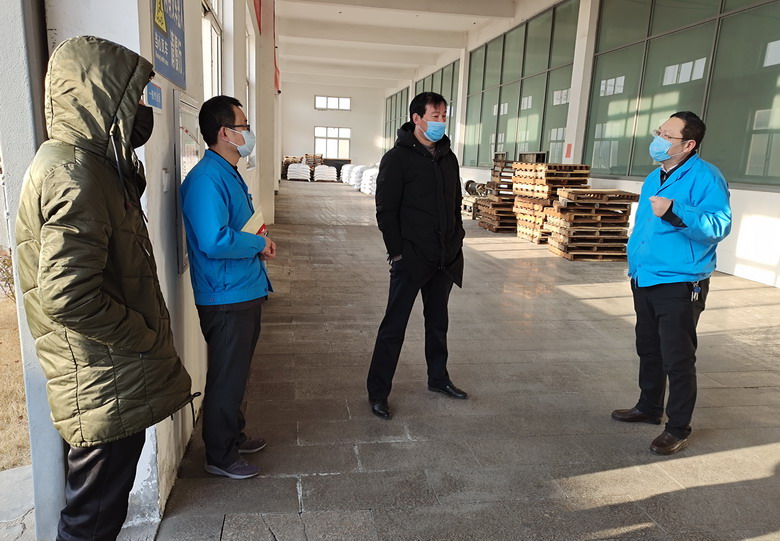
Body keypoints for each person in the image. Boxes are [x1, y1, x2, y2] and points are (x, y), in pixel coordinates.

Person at [15, 36, 193, 540]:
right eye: (134, 97)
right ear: (102, 99)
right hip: (104, 378)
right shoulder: (75, 173)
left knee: (97, 513)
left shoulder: (88, 165)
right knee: (90, 522)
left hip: (105, 374)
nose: (143, 109)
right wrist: (142, 337)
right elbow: (69, 296)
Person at [612, 111, 732, 455]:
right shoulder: (655, 176)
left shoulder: (707, 177)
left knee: (677, 357)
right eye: (659, 132)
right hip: (645, 276)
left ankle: (678, 427)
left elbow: (718, 225)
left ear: (689, 144)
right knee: (648, 348)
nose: (659, 140)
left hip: (680, 282)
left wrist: (675, 210)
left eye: (667, 135)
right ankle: (649, 406)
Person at [181, 95, 276, 479]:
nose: (248, 133)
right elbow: (214, 240)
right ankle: (219, 455)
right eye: (244, 126)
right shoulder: (207, 179)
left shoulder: (227, 171)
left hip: (242, 287)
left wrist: (258, 242)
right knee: (226, 375)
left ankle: (233, 435)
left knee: (236, 373)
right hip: (225, 294)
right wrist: (256, 243)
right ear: (225, 132)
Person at [367, 91, 467, 420]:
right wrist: (398, 254)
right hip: (411, 260)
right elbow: (386, 211)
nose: (441, 122)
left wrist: (456, 241)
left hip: (444, 259)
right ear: (417, 119)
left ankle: (439, 378)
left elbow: (455, 204)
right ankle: (378, 392)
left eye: (444, 116)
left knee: (438, 324)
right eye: (435, 116)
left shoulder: (448, 158)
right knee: (393, 327)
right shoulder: (397, 159)